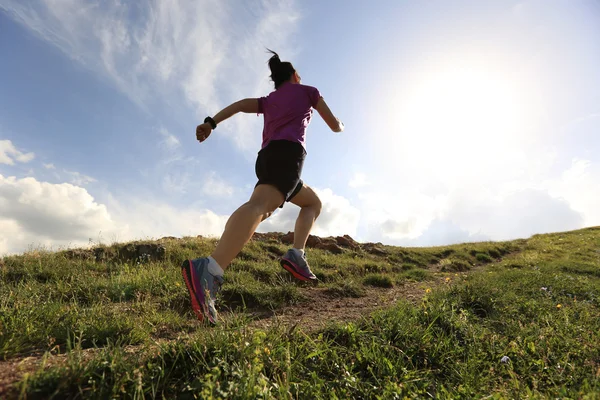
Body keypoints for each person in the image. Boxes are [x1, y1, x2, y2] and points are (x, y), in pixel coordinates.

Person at [181, 50, 344, 324]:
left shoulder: (269, 100)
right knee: (260, 207)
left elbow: (241, 105)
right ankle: (209, 269)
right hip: (289, 156)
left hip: (268, 158)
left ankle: (296, 255)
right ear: (294, 76)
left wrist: (211, 123)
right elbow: (334, 126)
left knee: (312, 203)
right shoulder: (308, 91)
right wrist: (341, 124)